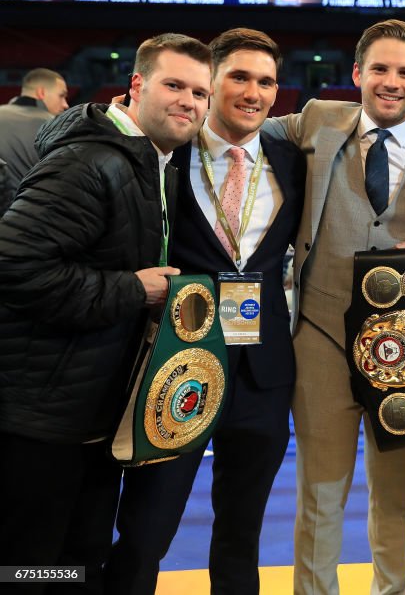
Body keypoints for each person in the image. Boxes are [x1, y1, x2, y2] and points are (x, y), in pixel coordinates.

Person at [0, 33, 210, 591]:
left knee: (77, 561)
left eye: (199, 91)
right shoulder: (89, 162)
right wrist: (134, 291)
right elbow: (13, 266)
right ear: (136, 85)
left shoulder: (153, 161)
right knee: (29, 567)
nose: (189, 101)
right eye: (174, 85)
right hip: (42, 417)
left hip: (88, 414)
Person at [263, 19, 405, 595]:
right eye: (379, 68)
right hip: (320, 338)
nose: (391, 81)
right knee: (320, 495)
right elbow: (239, 127)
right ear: (357, 73)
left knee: (395, 499)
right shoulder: (317, 120)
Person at [104, 29, 305, 594]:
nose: (253, 92)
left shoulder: (292, 161)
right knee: (147, 529)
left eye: (266, 81)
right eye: (239, 77)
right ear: (211, 83)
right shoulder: (165, 151)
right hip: (177, 363)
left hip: (263, 373)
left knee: (242, 531)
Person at [0, 67, 69, 212]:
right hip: (30, 220)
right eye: (61, 96)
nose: (65, 104)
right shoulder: (56, 125)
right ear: (41, 93)